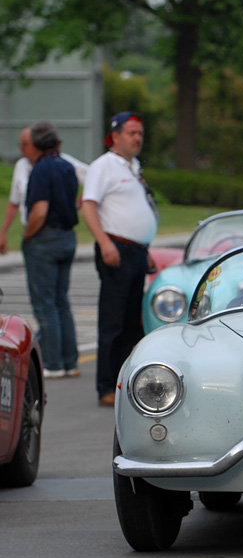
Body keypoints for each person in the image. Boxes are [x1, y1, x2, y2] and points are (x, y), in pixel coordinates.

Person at [81, 112, 159, 407]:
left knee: (131, 321)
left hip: (136, 251)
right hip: (116, 249)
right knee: (113, 320)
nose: (137, 138)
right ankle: (105, 386)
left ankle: (124, 383)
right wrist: (104, 243)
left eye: (140, 133)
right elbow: (88, 206)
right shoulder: (104, 166)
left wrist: (145, 249)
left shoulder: (133, 166)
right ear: (115, 136)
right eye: (131, 133)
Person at [21, 122, 80, 379]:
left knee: (46, 304)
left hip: (45, 238)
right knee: (61, 301)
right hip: (67, 236)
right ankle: (70, 361)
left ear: (35, 144)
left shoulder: (41, 169)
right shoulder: (67, 167)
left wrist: (27, 234)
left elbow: (40, 210)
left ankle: (53, 363)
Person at [2, 127, 88, 255]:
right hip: (33, 227)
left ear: (37, 144)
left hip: (52, 229)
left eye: (25, 144)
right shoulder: (22, 165)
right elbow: (14, 201)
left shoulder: (59, 164)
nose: (21, 148)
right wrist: (4, 232)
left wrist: (78, 203)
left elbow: (40, 210)